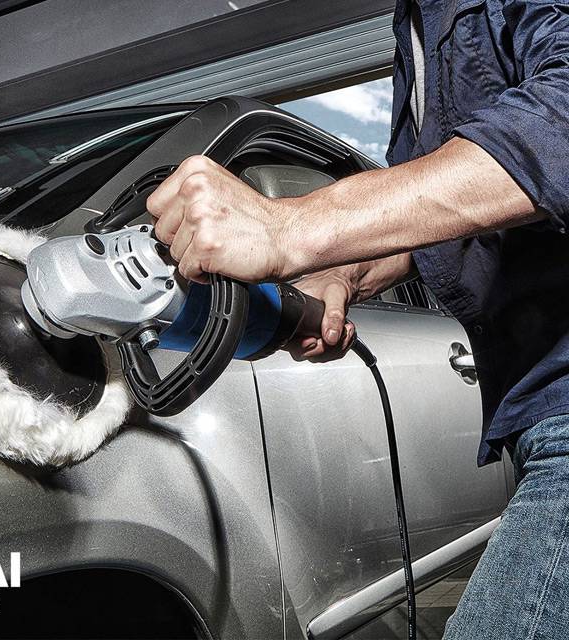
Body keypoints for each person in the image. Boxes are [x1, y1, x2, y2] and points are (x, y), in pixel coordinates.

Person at [147, 1, 569, 637]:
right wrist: (343, 276)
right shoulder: (416, 29)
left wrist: (290, 225)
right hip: (535, 412)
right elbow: (445, 219)